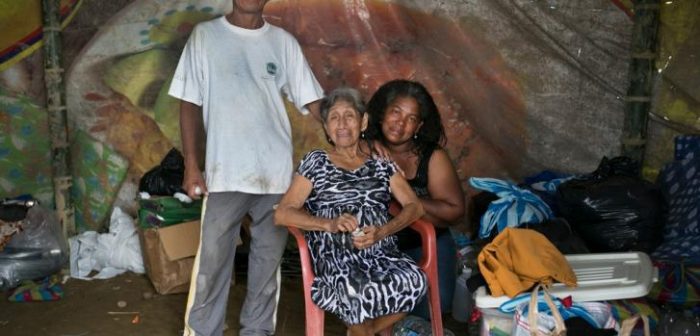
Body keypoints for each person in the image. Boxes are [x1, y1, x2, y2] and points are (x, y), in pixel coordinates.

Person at [167, 1, 324, 335]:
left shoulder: (282, 42)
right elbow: (189, 103)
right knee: (212, 264)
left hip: (276, 174)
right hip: (226, 172)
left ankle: (257, 332)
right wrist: (192, 166)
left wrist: (349, 134)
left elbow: (311, 99)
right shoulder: (206, 36)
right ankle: (203, 331)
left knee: (267, 267)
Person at [274, 87, 427, 336]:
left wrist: (382, 232)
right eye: (334, 117)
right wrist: (330, 224)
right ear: (326, 127)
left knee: (415, 280)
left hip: (380, 252)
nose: (342, 124)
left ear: (363, 121)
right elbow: (283, 213)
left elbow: (414, 206)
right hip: (335, 255)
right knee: (351, 288)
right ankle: (364, 331)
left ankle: (363, 332)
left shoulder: (381, 163)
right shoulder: (316, 161)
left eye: (349, 116)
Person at [366, 79, 465, 320]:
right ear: (382, 114)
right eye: (396, 112)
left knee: (434, 306)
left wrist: (409, 204)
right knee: (373, 304)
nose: (400, 124)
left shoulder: (432, 156)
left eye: (411, 119)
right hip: (378, 247)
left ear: (419, 126)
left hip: (424, 243)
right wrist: (366, 142)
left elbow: (454, 211)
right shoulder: (363, 149)